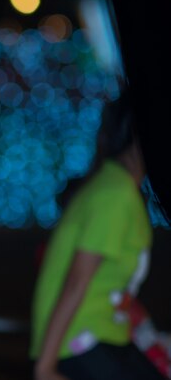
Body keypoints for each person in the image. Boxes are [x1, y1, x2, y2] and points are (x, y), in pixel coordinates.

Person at [30, 97, 166, 380]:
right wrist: (45, 367)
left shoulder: (121, 188)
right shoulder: (115, 195)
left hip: (107, 332)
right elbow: (77, 281)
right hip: (80, 339)